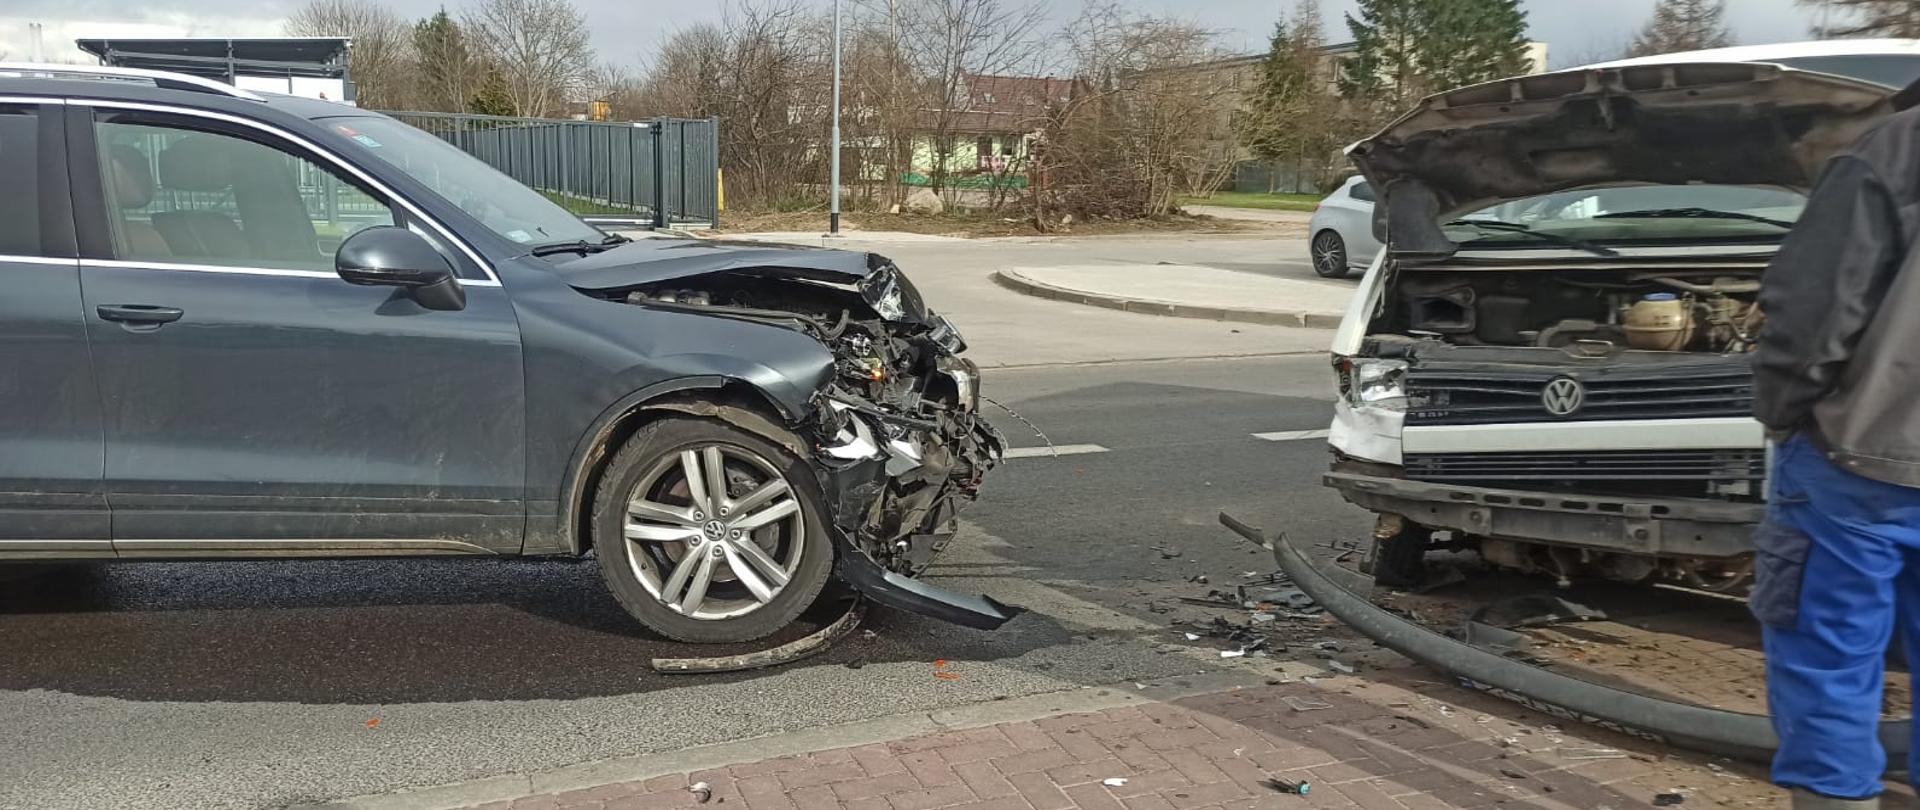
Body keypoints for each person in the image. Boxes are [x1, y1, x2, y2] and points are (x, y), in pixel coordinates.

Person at [1752, 83, 1920, 810]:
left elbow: (1817, 306)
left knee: (1828, 654)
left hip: (1862, 457)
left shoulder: (1898, 145)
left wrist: (1782, 414)